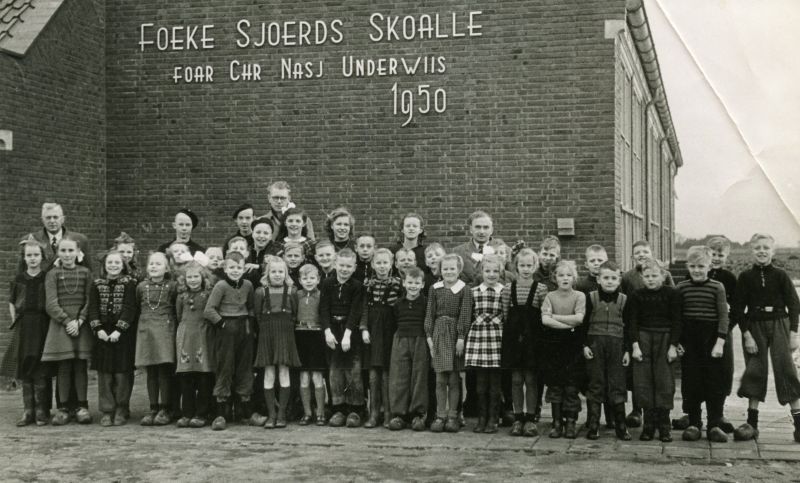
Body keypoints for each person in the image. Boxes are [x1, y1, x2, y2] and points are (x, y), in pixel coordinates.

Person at [732, 233, 800, 443]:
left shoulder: (781, 275)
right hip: (755, 326)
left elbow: (794, 304)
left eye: (766, 248)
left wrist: (794, 333)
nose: (761, 251)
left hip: (780, 323)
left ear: (773, 251)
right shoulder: (745, 277)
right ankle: (752, 424)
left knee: (786, 369)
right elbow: (737, 309)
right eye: (757, 248)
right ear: (751, 250)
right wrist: (747, 335)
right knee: (755, 369)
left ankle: (799, 424)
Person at [675, 246, 730, 442]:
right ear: (687, 266)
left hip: (711, 339)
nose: (697, 270)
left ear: (709, 266)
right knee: (691, 382)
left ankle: (714, 424)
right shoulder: (681, 288)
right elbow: (677, 317)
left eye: (701, 266)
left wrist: (720, 342)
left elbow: (723, 316)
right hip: (690, 341)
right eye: (693, 266)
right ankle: (694, 423)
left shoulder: (717, 287)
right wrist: (677, 341)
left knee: (713, 382)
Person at [620, 240, 675, 428]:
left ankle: (661, 415)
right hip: (638, 328)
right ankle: (637, 410)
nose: (641, 255)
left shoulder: (665, 275)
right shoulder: (627, 277)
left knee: (660, 376)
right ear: (632, 256)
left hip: (661, 330)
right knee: (639, 375)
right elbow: (624, 302)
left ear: (651, 253)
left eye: (645, 251)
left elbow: (673, 298)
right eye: (637, 252)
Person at [628, 259, 682, 442]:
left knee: (664, 381)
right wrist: (635, 346)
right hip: (643, 339)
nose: (650, 279)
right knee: (643, 382)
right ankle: (649, 425)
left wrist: (673, 346)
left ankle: (664, 425)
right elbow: (632, 322)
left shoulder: (672, 294)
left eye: (654, 275)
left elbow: (677, 321)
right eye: (647, 276)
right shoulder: (636, 296)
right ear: (642, 277)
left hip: (665, 340)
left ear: (663, 275)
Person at [41, 237, 94, 426]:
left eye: (71, 250)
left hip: (81, 325)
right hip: (60, 326)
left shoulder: (86, 273)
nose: (67, 254)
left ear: (78, 252)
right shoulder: (52, 274)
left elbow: (90, 299)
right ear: (58, 253)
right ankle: (63, 408)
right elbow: (51, 303)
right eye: (63, 251)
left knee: (80, 365)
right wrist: (67, 321)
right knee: (63, 366)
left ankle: (82, 406)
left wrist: (80, 320)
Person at [204, 251, 257, 430]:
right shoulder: (221, 286)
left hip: (244, 328)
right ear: (225, 268)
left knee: (245, 367)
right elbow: (209, 310)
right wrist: (223, 324)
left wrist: (249, 325)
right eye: (232, 267)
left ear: (244, 268)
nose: (235, 271)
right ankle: (221, 414)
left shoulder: (248, 285)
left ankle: (246, 412)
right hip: (226, 329)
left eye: (239, 267)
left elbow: (251, 307)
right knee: (225, 367)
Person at [581, 261, 631, 441]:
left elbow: (629, 327)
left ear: (619, 280)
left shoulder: (624, 300)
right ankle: (594, 424)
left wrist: (627, 350)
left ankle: (621, 425)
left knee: (617, 383)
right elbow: (583, 324)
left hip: (617, 346)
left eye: (613, 278)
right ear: (598, 279)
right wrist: (585, 345)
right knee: (596, 382)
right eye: (606, 278)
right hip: (595, 345)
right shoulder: (591, 298)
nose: (609, 281)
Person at [1, 239, 49, 426]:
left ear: (42, 257)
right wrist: (16, 320)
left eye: (36, 255)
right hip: (24, 324)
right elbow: (12, 302)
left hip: (41, 324)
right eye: (29, 255)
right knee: (25, 364)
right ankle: (28, 410)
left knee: (39, 365)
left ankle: (41, 410)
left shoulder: (46, 278)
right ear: (24, 258)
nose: (33, 258)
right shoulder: (19, 279)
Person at [87, 250, 137, 427]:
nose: (113, 265)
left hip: (123, 334)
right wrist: (98, 328)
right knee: (105, 374)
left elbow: (130, 308)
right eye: (110, 262)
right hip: (102, 334)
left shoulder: (129, 284)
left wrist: (119, 330)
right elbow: (92, 308)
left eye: (117, 262)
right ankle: (107, 410)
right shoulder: (96, 284)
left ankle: (122, 408)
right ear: (104, 265)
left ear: (123, 265)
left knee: (122, 373)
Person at [425, 254, 472, 433]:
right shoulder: (434, 288)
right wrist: (429, 338)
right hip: (438, 334)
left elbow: (465, 314)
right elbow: (430, 313)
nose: (449, 272)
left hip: (454, 336)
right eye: (445, 269)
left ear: (459, 270)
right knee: (439, 378)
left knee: (453, 378)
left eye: (452, 268)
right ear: (440, 270)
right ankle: (440, 415)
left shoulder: (464, 289)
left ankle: (453, 415)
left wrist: (461, 337)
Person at [503, 248, 547, 437]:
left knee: (531, 379)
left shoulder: (541, 289)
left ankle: (530, 418)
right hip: (514, 340)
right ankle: (518, 417)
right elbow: (505, 315)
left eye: (529, 265)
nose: (526, 269)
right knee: (516, 379)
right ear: (516, 267)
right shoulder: (508, 289)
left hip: (533, 341)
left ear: (535, 266)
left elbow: (544, 315)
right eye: (522, 265)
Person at [540, 260, 586, 439]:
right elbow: (545, 320)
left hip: (573, 346)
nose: (565, 278)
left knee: (571, 385)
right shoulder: (550, 296)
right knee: (555, 384)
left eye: (568, 275)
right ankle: (557, 422)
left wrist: (556, 317)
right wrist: (568, 325)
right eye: (561, 275)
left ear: (574, 278)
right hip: (554, 345)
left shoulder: (579, 296)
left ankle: (571, 422)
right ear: (555, 278)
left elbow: (579, 318)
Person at [320, 248, 365, 427]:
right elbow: (323, 308)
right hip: (332, 331)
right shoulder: (327, 283)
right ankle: (338, 408)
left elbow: (355, 311)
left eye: (348, 266)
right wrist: (327, 332)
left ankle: (356, 409)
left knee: (353, 370)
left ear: (354, 267)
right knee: (335, 371)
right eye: (341, 265)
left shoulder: (357, 286)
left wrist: (347, 335)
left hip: (350, 332)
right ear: (335, 265)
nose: (344, 269)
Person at [254, 256, 301, 429]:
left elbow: (294, 314)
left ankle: (281, 414)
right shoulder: (260, 292)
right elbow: (257, 315)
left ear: (286, 273)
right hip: (267, 334)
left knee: (284, 372)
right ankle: (271, 415)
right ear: (267, 273)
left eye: (281, 271)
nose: (277, 274)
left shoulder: (291, 291)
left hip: (285, 334)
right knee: (268, 373)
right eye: (273, 271)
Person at [465, 254, 509, 434]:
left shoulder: (505, 291)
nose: (491, 274)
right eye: (488, 271)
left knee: (495, 384)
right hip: (479, 338)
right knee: (481, 383)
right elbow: (468, 315)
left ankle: (493, 418)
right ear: (481, 272)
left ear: (501, 273)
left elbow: (507, 315)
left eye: (495, 271)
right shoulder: (474, 292)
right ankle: (481, 418)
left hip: (497, 337)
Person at [135, 252, 178, 426]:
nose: (154, 266)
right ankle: (153, 407)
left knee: (164, 370)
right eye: (151, 263)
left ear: (166, 268)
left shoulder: (172, 287)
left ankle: (165, 408)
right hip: (146, 330)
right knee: (151, 370)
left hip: (165, 330)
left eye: (158, 264)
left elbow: (177, 308)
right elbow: (138, 306)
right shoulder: (141, 287)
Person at [360, 249, 402, 428]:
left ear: (391, 264)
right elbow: (364, 309)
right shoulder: (368, 285)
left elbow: (400, 310)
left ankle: (388, 413)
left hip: (390, 330)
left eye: (385, 263)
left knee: (387, 374)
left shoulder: (398, 284)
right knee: (373, 375)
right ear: (372, 264)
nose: (382, 266)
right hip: (372, 330)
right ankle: (373, 413)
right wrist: (364, 329)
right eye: (378, 263)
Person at [576, 244, 615, 429]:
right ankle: (592, 417)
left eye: (600, 260)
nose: (597, 263)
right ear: (586, 264)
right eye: (593, 260)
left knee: (610, 377)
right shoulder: (581, 286)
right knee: (592, 379)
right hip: (590, 337)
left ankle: (611, 416)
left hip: (610, 337)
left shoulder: (613, 284)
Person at [387, 267, 429, 431]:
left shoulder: (426, 302)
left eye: (417, 283)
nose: (413, 286)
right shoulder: (398, 303)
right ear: (404, 283)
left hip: (420, 340)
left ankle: (418, 414)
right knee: (400, 376)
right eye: (410, 282)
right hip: (401, 340)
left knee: (419, 376)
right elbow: (394, 321)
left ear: (422, 284)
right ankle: (399, 414)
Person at [174, 261, 215, 428]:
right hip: (185, 337)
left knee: (203, 375)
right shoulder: (181, 297)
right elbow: (178, 315)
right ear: (184, 279)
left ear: (203, 278)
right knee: (186, 376)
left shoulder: (208, 295)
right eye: (189, 277)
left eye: (196, 276)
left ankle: (201, 413)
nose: (193, 280)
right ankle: (187, 413)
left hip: (203, 336)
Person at [294, 264, 328, 426]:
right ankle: (307, 413)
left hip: (316, 336)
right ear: (300, 280)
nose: (309, 281)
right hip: (300, 335)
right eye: (305, 278)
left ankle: (320, 412)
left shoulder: (321, 295)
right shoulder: (296, 295)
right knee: (304, 377)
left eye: (312, 278)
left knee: (317, 376)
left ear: (318, 279)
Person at [21, 202, 92, 273]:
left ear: (62, 219)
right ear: (42, 220)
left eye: (55, 217)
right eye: (48, 218)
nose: (52, 221)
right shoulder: (31, 239)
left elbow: (88, 271)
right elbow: (22, 272)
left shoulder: (80, 239)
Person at [451, 211, 505, 286]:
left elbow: (509, 278)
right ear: (471, 229)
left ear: (491, 230)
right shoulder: (458, 252)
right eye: (478, 227)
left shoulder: (503, 250)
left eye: (486, 227)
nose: (482, 231)